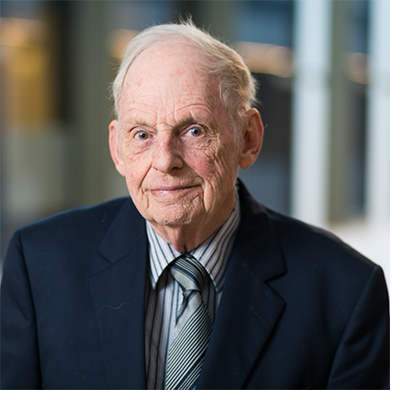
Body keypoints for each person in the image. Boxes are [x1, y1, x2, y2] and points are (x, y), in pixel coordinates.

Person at [0, 21, 389, 390]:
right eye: (142, 134)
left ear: (248, 139)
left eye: (193, 130)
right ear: (117, 148)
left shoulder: (347, 292)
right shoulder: (38, 266)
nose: (166, 159)